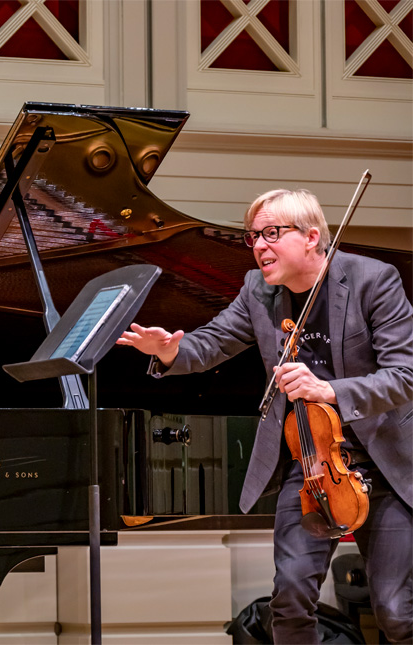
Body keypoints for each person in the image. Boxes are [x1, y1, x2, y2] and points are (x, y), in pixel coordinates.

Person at [117, 188, 412, 642]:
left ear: (312, 237)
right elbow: (213, 341)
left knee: (395, 612)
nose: (258, 245)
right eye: (252, 235)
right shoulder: (259, 290)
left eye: (272, 232)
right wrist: (171, 351)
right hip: (312, 461)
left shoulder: (373, 279)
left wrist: (328, 389)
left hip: (384, 461)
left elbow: (405, 375)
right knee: (290, 601)